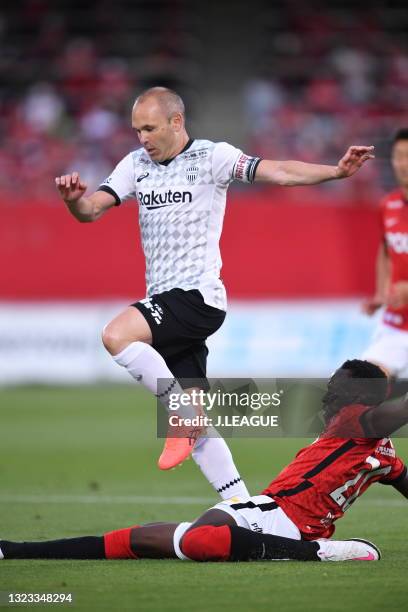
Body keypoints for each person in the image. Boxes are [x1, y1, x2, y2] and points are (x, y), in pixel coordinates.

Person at [55, 86, 375, 499]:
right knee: (200, 428)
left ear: (176, 121)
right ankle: (244, 507)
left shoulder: (212, 157)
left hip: (198, 297)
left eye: (149, 128)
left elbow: (278, 171)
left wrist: (335, 171)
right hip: (166, 301)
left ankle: (180, 414)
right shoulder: (134, 165)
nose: (142, 138)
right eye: (136, 130)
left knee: (115, 335)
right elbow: (91, 210)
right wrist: (73, 201)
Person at [3, 360, 406, 563]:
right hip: (269, 518)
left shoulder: (359, 422)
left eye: (334, 391)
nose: (325, 398)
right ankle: (14, 551)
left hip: (277, 515)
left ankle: (320, 553)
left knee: (200, 539)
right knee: (140, 538)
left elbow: (396, 410)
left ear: (361, 398)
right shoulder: (381, 452)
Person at [362, 129, 408, 386]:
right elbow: (385, 249)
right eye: (398, 156)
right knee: (355, 392)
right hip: (397, 325)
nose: (403, 163)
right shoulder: (388, 205)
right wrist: (381, 293)